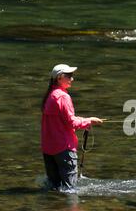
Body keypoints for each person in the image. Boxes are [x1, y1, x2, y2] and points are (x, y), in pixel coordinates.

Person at [41, 64, 105, 192]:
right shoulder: (63, 97)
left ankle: (52, 209)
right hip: (64, 148)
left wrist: (85, 120)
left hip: (48, 148)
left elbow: (62, 120)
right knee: (70, 189)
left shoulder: (50, 95)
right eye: (69, 76)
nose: (72, 79)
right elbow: (71, 123)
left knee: (54, 187)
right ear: (59, 78)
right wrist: (89, 121)